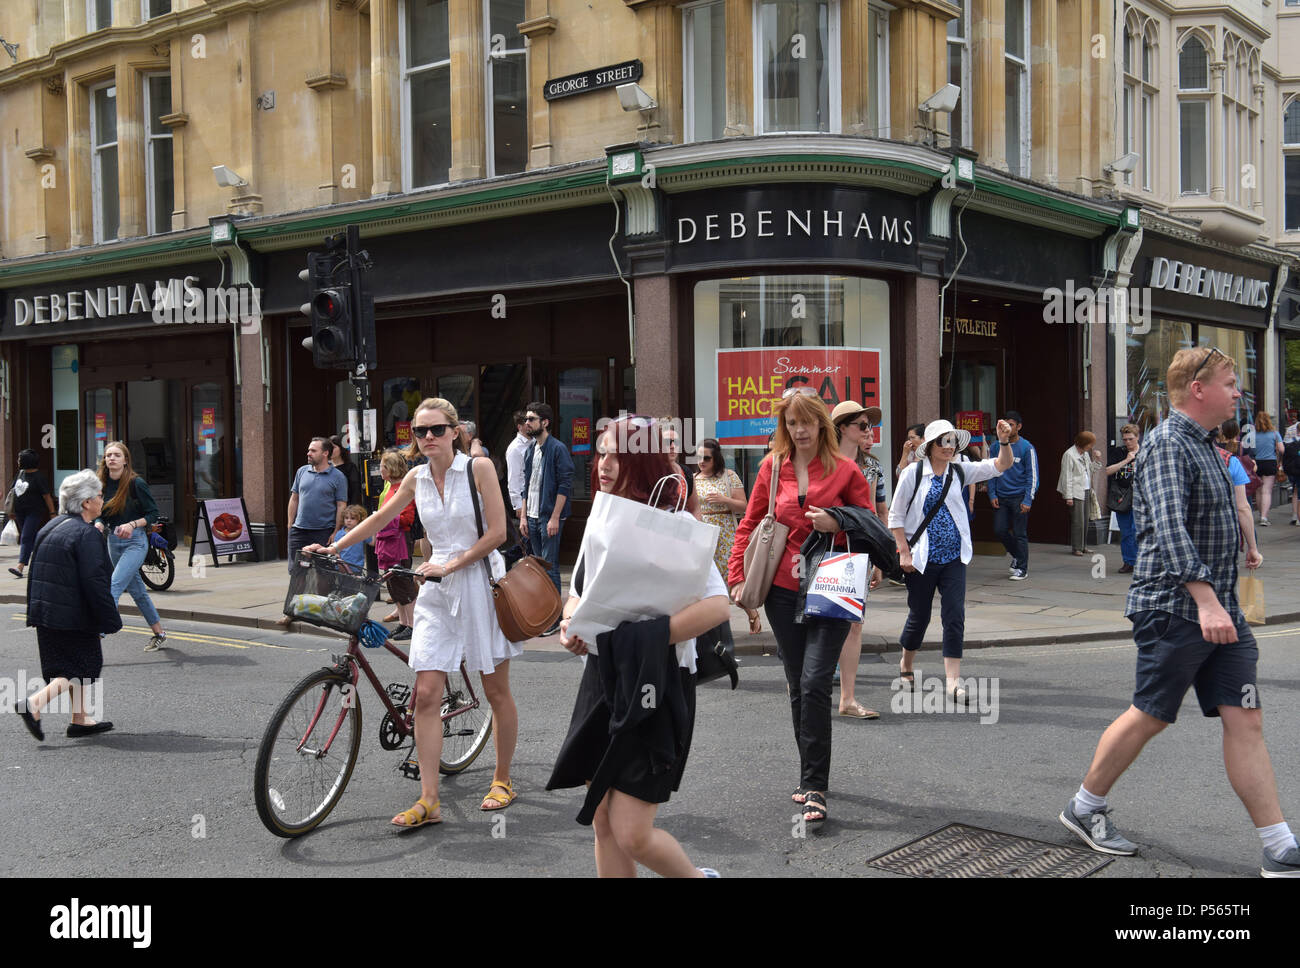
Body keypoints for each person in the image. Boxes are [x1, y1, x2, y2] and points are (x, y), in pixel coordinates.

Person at [1058, 346, 1300, 877]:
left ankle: (1279, 845)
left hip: (1220, 610)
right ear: (1198, 389)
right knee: (1150, 714)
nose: (1239, 392)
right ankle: (1085, 806)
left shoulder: (1205, 444)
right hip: (1177, 609)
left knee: (1246, 717)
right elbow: (1168, 530)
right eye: (1231, 382)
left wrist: (1228, 595)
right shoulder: (1169, 444)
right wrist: (1208, 602)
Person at [307, 397, 523, 825]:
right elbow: (378, 519)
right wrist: (334, 546)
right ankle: (429, 800)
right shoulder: (416, 478)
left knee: (496, 691)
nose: (427, 438)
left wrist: (451, 564)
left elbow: (498, 532)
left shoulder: (477, 469)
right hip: (435, 587)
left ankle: (502, 778)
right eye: (418, 431)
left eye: (436, 430)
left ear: (455, 431)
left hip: (479, 580)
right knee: (426, 694)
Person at [549, 415, 729, 877]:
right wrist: (572, 622)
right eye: (602, 453)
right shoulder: (603, 513)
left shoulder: (672, 525)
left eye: (616, 454)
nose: (603, 464)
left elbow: (717, 607)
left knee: (633, 831)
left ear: (643, 460)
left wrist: (638, 640)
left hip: (658, 682)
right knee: (603, 821)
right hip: (603, 678)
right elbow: (580, 589)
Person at [727, 388, 877, 826]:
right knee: (797, 683)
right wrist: (737, 576)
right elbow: (751, 523)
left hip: (831, 586)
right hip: (782, 589)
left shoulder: (847, 470)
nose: (799, 430)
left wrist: (839, 520)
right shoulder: (772, 467)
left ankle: (816, 786)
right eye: (791, 423)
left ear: (821, 424)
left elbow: (869, 525)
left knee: (814, 682)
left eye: (806, 422)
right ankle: (808, 773)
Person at [890, 419, 1015, 705]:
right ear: (930, 446)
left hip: (954, 558)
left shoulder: (960, 471)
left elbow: (1000, 466)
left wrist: (1004, 442)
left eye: (952, 442)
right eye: (942, 442)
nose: (949, 447)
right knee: (919, 617)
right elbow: (895, 517)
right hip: (921, 559)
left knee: (954, 616)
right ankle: (906, 663)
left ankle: (953, 682)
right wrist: (904, 553)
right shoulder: (913, 473)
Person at [16, 469, 123, 741]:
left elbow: (35, 572)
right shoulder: (86, 534)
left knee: (68, 666)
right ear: (86, 502)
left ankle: (80, 719)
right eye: (99, 496)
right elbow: (95, 582)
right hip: (72, 616)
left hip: (46, 612)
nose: (102, 500)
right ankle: (33, 704)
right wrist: (110, 619)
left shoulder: (49, 526)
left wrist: (34, 611)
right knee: (80, 667)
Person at [829, 401, 886, 720]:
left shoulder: (872, 468)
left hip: (857, 553)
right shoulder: (820, 463)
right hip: (822, 551)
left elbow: (878, 513)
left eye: (870, 425)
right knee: (817, 621)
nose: (869, 431)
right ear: (842, 428)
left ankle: (848, 698)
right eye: (862, 425)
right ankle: (806, 681)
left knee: (853, 624)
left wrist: (879, 557)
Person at [96, 442, 168, 652]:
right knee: (138, 591)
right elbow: (99, 510)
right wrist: (99, 522)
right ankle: (159, 633)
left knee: (114, 585)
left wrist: (132, 524)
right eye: (108, 455)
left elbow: (153, 513)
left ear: (125, 460)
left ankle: (95, 639)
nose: (112, 458)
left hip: (135, 541)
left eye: (117, 455)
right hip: (113, 541)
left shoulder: (137, 483)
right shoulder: (101, 483)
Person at [693, 437, 762, 640]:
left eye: (706, 458)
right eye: (698, 457)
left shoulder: (728, 476)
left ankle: (751, 612)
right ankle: (713, 625)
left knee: (731, 577)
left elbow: (745, 506)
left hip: (725, 533)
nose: (701, 462)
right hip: (703, 534)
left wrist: (724, 500)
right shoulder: (694, 479)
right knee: (706, 579)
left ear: (716, 459)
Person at [520, 402, 574, 629]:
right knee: (538, 567)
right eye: (526, 419)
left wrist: (555, 517)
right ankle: (545, 612)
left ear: (545, 422)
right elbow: (526, 485)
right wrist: (523, 516)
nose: (527, 423)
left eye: (531, 419)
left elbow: (565, 484)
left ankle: (555, 617)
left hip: (548, 516)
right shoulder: (531, 449)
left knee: (549, 566)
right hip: (532, 516)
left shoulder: (557, 448)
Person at [987, 410, 1039, 580]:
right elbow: (991, 470)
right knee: (999, 530)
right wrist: (992, 493)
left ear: (1019, 427)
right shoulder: (996, 446)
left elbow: (1033, 476)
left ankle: (1022, 568)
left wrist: (1027, 499)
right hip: (1001, 496)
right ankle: (1018, 556)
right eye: (1005, 424)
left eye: (1011, 425)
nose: (1008, 428)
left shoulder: (1027, 448)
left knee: (1019, 533)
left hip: (1019, 497)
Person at [374, 451, 417, 635]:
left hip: (399, 541)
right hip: (388, 541)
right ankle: (403, 621)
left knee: (403, 582)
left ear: (389, 469)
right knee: (393, 583)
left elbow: (407, 518)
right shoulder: (390, 487)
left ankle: (413, 624)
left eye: (382, 466)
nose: (380, 470)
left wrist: (383, 519)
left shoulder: (402, 489)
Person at [7, 448, 56, 579]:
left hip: (34, 512)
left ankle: (20, 566)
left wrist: (52, 513)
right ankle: (47, 561)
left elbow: (47, 496)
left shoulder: (39, 477)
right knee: (31, 539)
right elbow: (13, 491)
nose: (17, 461)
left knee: (26, 537)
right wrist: (11, 510)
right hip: (19, 512)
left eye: (19, 459)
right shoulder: (20, 474)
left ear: (26, 461)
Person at [1057, 431, 1102, 556]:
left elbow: (1091, 470)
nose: (1091, 447)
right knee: (1078, 521)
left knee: (1085, 520)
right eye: (1090, 444)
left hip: (1086, 489)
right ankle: (1076, 547)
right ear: (1083, 443)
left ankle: (1083, 546)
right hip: (1076, 492)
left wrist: (1097, 460)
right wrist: (1068, 496)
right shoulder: (1069, 455)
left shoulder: (1085, 454)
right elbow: (1067, 476)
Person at [1105, 424, 1142, 573]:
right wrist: (1126, 460)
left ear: (1137, 437)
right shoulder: (1118, 452)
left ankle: (1141, 562)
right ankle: (1129, 562)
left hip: (1141, 497)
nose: (1127, 442)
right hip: (1122, 497)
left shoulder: (1147, 452)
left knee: (1137, 530)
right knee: (1126, 531)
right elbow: (1107, 471)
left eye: (1130, 439)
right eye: (1125, 439)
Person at [1250, 412, 1282, 526]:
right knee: (1266, 491)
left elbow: (1249, 449)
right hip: (1270, 463)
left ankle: (1260, 514)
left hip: (1256, 463)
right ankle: (1264, 517)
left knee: (1258, 491)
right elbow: (1282, 449)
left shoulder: (1253, 434)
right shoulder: (1274, 434)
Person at [504, 410, 530, 517]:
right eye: (527, 424)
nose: (530, 426)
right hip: (524, 499)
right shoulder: (514, 448)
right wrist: (517, 505)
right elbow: (513, 477)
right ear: (519, 427)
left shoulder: (535, 442)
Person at [329, 435, 364, 507]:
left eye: (334, 447)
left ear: (341, 449)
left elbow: (355, 491)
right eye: (329, 447)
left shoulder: (350, 467)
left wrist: (351, 509)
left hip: (345, 506)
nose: (330, 450)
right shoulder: (325, 466)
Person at [332, 505, 369, 572]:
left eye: (352, 518)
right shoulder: (339, 534)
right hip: (341, 568)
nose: (349, 520)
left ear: (359, 520)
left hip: (356, 568)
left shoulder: (361, 532)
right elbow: (335, 550)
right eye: (346, 518)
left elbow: (372, 542)